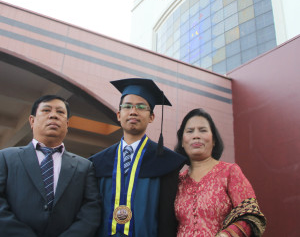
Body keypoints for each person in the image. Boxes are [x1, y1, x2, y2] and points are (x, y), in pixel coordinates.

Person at [89, 78, 186, 237]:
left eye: (141, 107)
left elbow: (167, 219)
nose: (133, 111)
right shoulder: (97, 163)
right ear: (119, 115)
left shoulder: (167, 163)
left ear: (151, 117)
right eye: (127, 106)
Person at [0, 95, 101, 237]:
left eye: (60, 112)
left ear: (67, 124)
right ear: (32, 121)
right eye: (46, 110)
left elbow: (91, 211)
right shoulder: (5, 158)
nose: (53, 116)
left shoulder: (84, 166)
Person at [174, 108, 266, 237]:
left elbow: (250, 215)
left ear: (214, 139)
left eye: (203, 130)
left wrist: (226, 235)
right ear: (182, 141)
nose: (196, 135)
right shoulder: (176, 180)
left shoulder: (229, 172)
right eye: (190, 131)